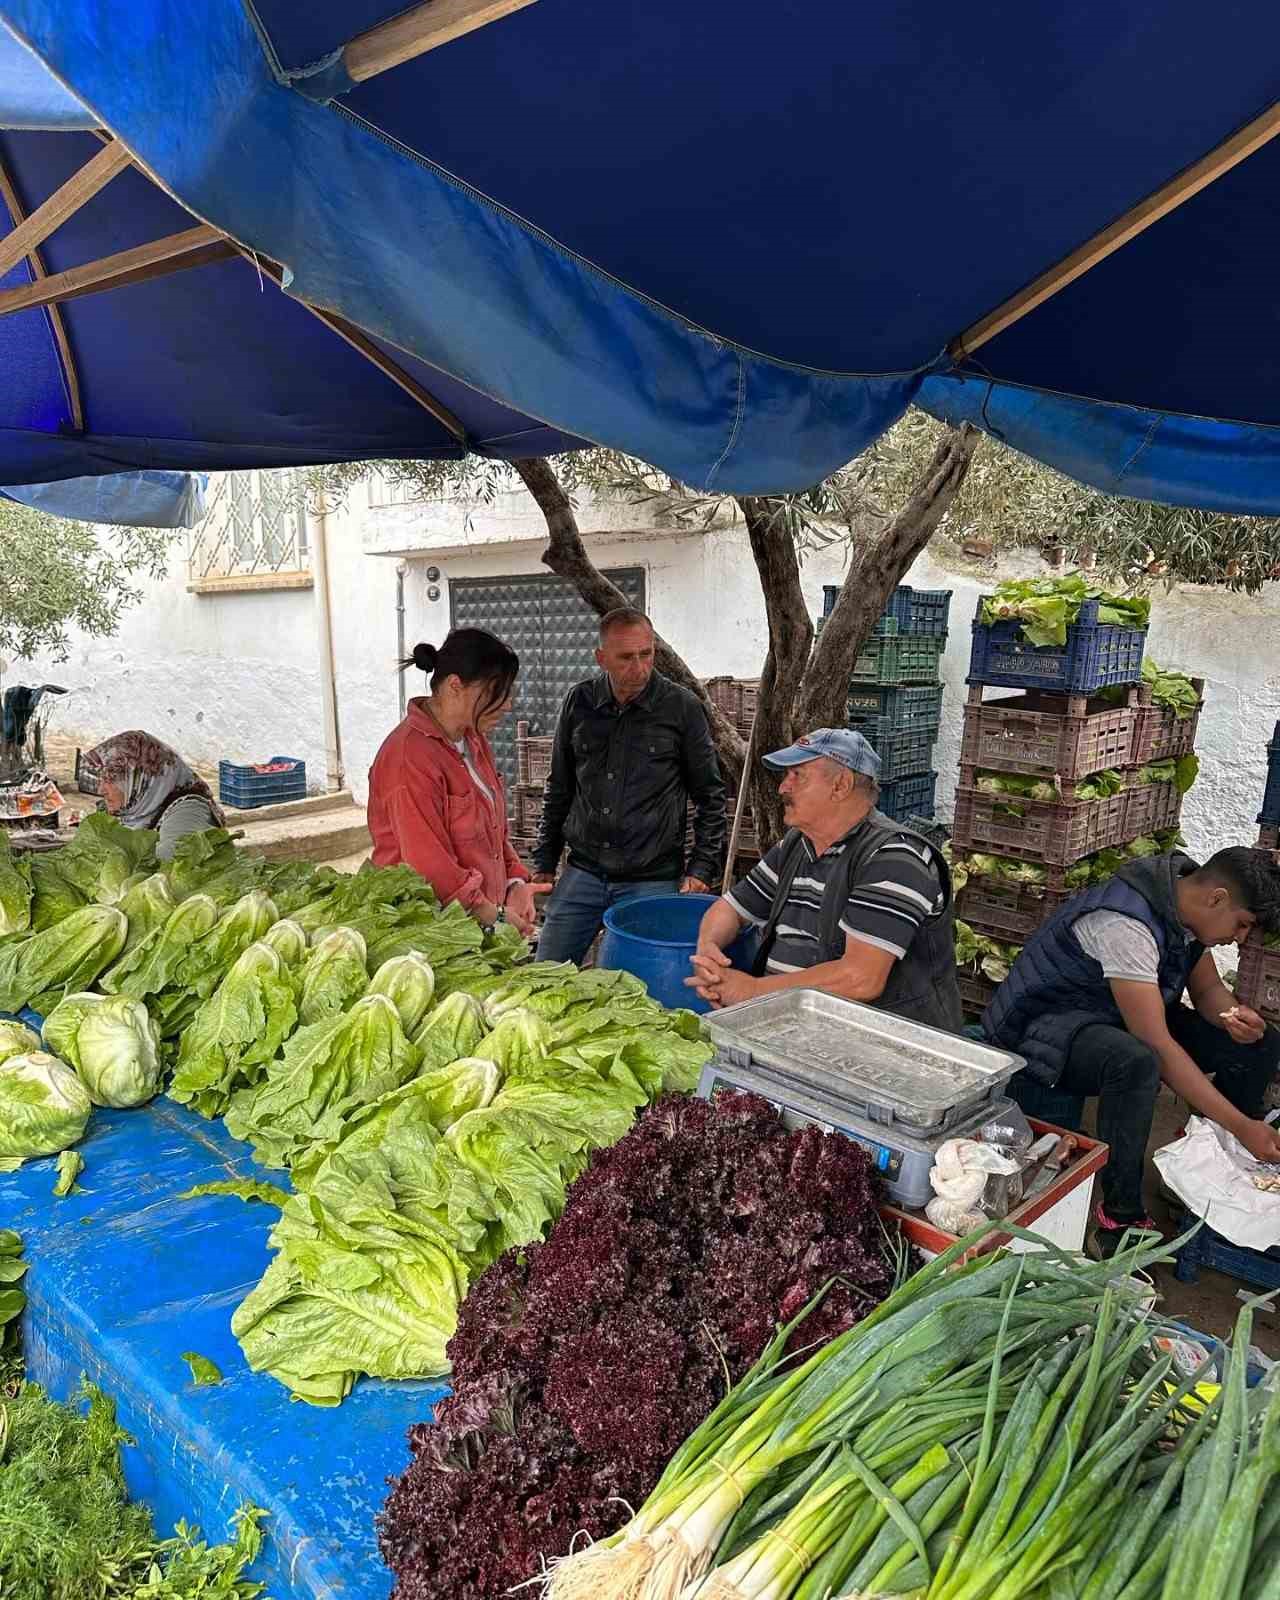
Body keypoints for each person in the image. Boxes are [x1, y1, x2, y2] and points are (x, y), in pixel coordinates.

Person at [983, 845, 1280, 1257]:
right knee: (1136, 1064)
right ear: (1217, 898)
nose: (1241, 938)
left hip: (1112, 1010)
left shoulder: (1185, 911)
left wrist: (1234, 1017)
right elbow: (1154, 1041)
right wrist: (1241, 1125)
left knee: (1263, 1042)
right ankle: (1119, 1217)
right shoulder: (1126, 924)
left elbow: (1209, 990)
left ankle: (1202, 1166)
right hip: (1046, 1025)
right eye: (1243, 925)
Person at [687, 728, 962, 1029]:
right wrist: (708, 949)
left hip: (883, 1046)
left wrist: (752, 991)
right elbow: (731, 908)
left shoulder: (895, 858)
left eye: (797, 775)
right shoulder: (797, 844)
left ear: (840, 785)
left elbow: (861, 978)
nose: (782, 788)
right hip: (799, 1029)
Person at [531, 607, 727, 964]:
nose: (638, 667)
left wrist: (701, 867)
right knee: (545, 970)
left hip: (651, 878)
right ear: (601, 658)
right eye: (625, 658)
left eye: (646, 654)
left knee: (635, 985)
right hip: (584, 871)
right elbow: (559, 786)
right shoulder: (580, 702)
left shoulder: (682, 708)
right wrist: (544, 858)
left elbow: (711, 796)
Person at [367, 629, 546, 938]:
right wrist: (495, 918)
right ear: (455, 686)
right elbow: (430, 868)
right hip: (430, 931)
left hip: (480, 923)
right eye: (496, 692)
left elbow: (493, 833)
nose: (507, 704)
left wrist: (514, 883)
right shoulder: (408, 757)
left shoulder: (473, 740)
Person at [81, 731, 224, 861]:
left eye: (111, 780)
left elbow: (167, 866)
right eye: (102, 779)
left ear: (141, 779)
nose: (101, 790)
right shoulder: (134, 809)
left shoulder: (189, 812)